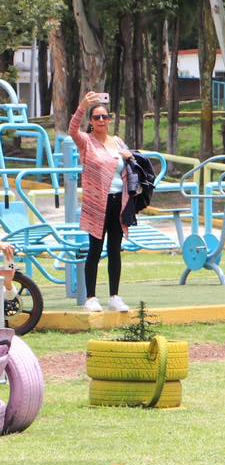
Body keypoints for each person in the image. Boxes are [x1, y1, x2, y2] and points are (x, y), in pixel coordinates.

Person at [71, 91, 134, 313]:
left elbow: (128, 165)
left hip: (119, 201)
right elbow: (72, 130)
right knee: (94, 250)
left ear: (109, 120)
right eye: (96, 117)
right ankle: (91, 297)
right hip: (97, 204)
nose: (100, 121)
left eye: (104, 117)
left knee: (115, 248)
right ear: (91, 121)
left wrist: (128, 156)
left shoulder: (116, 141)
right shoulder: (86, 142)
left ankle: (114, 296)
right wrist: (82, 106)